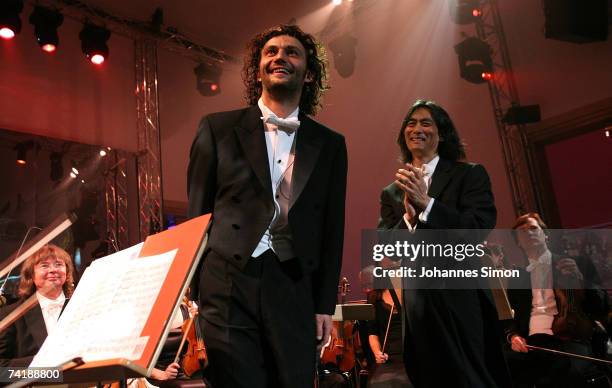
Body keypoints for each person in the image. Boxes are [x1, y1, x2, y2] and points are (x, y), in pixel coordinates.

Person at [187, 24, 347, 388]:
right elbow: (197, 216)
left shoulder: (331, 144)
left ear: (308, 74)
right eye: (271, 51)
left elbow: (332, 228)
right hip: (226, 281)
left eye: (292, 52)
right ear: (258, 68)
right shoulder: (216, 128)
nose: (280, 57)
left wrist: (324, 304)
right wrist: (195, 294)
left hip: (293, 282)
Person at [378, 99, 510, 387]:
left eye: (427, 123)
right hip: (418, 301)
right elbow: (386, 249)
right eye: (411, 123)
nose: (417, 129)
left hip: (461, 294)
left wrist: (428, 205)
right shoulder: (391, 192)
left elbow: (478, 228)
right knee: (430, 376)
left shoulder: (469, 174)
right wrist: (409, 221)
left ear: (443, 133)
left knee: (471, 376)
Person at [504, 212, 609, 388]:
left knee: (564, 371)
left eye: (533, 228)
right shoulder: (517, 278)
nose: (528, 233)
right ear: (518, 242)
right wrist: (514, 336)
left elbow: (602, 306)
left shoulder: (577, 263)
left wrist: (580, 279)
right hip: (532, 343)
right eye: (522, 232)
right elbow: (511, 316)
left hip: (568, 338)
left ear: (545, 234)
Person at [0, 244, 75, 367]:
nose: (53, 270)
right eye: (44, 265)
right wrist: (42, 365)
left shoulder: (80, 307)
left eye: (59, 264)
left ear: (66, 272)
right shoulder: (10, 314)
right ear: (31, 275)